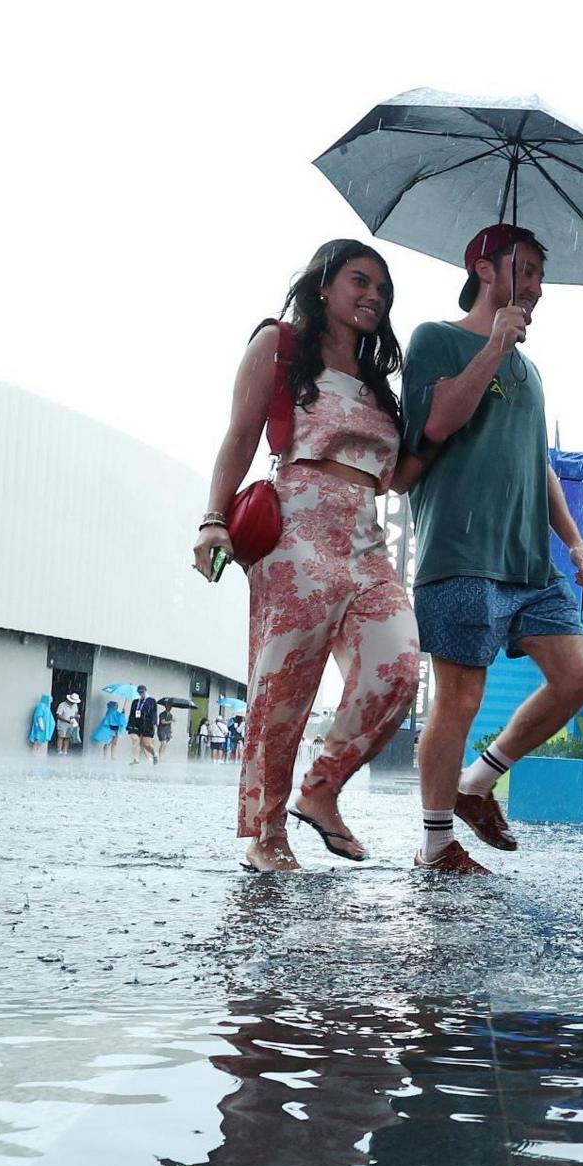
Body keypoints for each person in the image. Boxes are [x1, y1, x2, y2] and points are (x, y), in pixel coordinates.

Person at [194, 239, 426, 874]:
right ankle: (266, 834)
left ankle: (321, 788)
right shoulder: (280, 346)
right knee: (284, 690)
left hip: (365, 538)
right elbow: (240, 436)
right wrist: (214, 519)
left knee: (400, 666)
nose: (374, 295)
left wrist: (456, 417)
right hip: (296, 529)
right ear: (324, 285)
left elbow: (399, 475)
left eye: (384, 289)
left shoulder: (381, 386)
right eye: (360, 280)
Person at [401, 224, 583, 875]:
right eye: (528, 270)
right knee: (458, 697)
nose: (539, 287)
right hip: (460, 549)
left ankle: (478, 780)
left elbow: (535, 461)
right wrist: (492, 347)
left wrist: (573, 539)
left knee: (579, 678)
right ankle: (434, 845)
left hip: (529, 560)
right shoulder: (436, 339)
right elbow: (437, 420)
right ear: (484, 268)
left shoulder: (531, 370)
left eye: (542, 274)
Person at [127, 688, 159, 766]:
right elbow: (131, 713)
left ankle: (154, 753)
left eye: (142, 692)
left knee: (146, 744)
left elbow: (154, 712)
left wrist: (154, 722)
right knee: (135, 739)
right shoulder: (135, 701)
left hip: (147, 724)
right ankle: (136, 759)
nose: (141, 693)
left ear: (145, 691)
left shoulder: (151, 700)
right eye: (139, 692)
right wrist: (129, 724)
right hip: (136, 723)